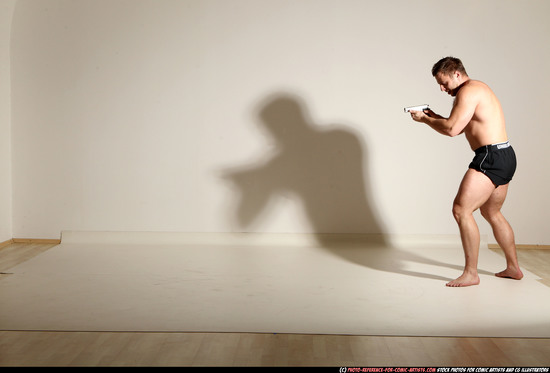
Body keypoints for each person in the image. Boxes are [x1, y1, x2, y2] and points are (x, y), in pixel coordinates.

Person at [409, 56, 523, 287]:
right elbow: (459, 126)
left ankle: (471, 273)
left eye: (444, 83)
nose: (442, 89)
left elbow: (452, 130)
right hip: (505, 154)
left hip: (490, 158)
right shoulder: (476, 89)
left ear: (457, 74)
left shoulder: (468, 91)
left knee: (461, 210)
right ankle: (513, 268)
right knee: (492, 213)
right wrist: (435, 118)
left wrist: (424, 120)